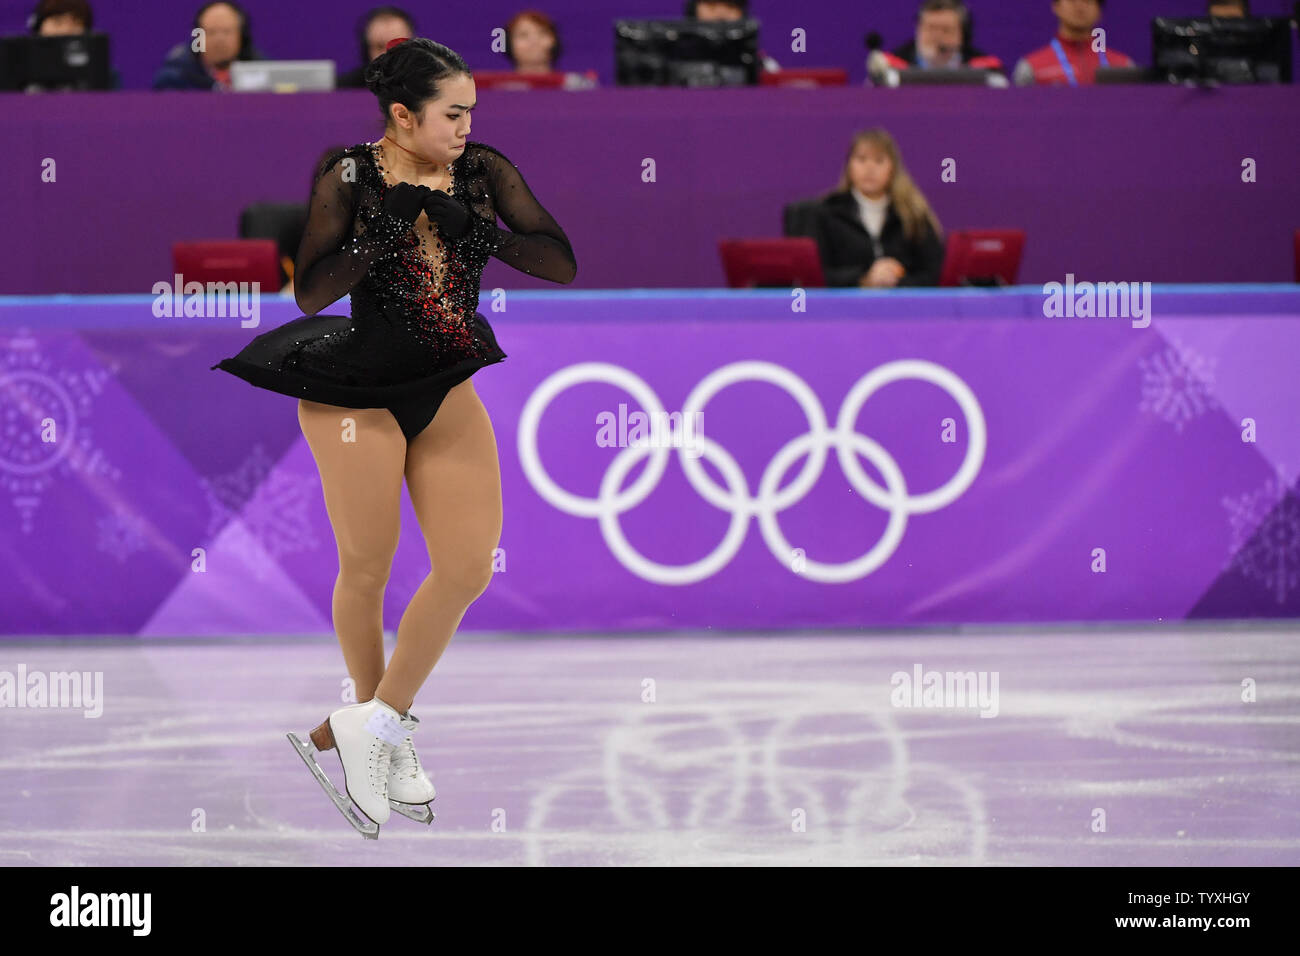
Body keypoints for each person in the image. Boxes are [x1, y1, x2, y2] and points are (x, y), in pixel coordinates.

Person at [211, 37, 576, 835]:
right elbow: (310, 292)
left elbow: (560, 261)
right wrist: (383, 230)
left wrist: (474, 232)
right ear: (403, 116)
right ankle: (378, 732)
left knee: (468, 565)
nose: (465, 126)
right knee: (369, 565)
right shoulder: (347, 170)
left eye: (472, 111)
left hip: (443, 384)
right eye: (452, 113)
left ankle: (374, 725)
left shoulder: (481, 171)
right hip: (355, 393)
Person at [809, 129, 945, 288]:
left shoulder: (913, 214)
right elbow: (815, 276)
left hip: (905, 306)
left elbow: (935, 273)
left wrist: (897, 281)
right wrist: (864, 278)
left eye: (879, 161)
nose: (870, 168)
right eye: (861, 159)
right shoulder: (827, 213)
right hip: (844, 307)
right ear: (849, 166)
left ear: (892, 168)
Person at [1013, 0, 1134, 87]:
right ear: (1056, 6)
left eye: (1088, 1)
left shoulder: (1123, 66)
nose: (1080, 6)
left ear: (1099, 11)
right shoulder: (1032, 68)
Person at [152, 0, 265, 91]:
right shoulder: (175, 79)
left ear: (241, 36)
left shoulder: (263, 72)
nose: (219, 40)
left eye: (226, 32)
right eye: (211, 32)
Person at [881, 0, 1004, 74]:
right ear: (918, 29)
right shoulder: (890, 67)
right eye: (931, 28)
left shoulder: (985, 69)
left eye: (946, 30)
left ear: (962, 34)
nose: (937, 37)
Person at [26, 0, 122, 89]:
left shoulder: (104, 75)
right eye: (58, 22)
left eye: (75, 24)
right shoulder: (22, 73)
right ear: (38, 27)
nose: (66, 30)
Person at [336, 5, 416, 89]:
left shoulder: (428, 86)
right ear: (366, 49)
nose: (387, 54)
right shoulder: (344, 89)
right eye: (379, 46)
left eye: (396, 46)